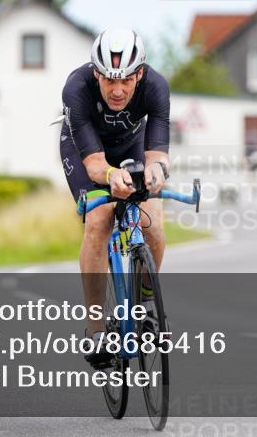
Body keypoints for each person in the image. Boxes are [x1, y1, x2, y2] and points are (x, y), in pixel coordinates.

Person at [59, 27, 171, 368]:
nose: (118, 90)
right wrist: (110, 176)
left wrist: (156, 173)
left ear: (140, 74)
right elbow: (94, 164)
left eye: (126, 80)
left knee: (152, 222)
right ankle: (95, 329)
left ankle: (147, 303)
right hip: (85, 151)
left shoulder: (156, 86)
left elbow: (159, 152)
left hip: (132, 146)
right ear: (96, 72)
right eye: (109, 80)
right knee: (99, 220)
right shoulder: (76, 88)